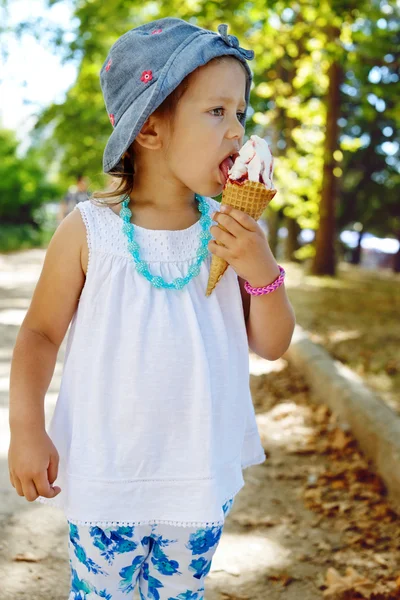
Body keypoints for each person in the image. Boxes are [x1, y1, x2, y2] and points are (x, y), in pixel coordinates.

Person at [8, 17, 296, 599]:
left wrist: (263, 272)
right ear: (150, 129)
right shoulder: (90, 230)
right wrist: (26, 428)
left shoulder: (230, 232)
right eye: (216, 112)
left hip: (198, 471)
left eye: (240, 113)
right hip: (107, 468)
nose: (237, 131)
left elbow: (271, 343)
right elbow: (39, 333)